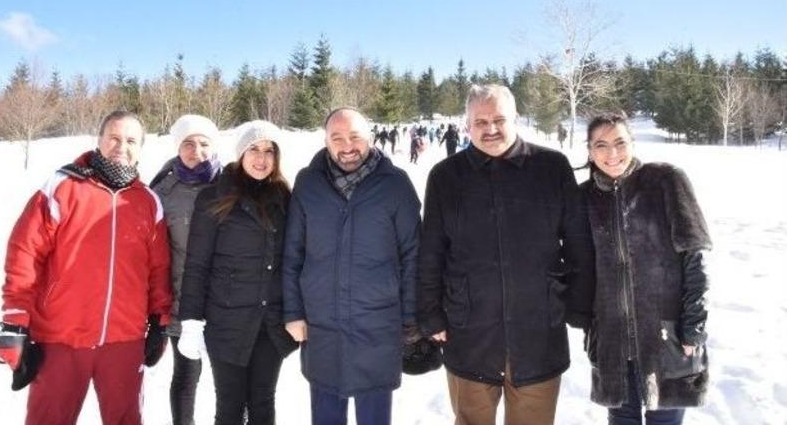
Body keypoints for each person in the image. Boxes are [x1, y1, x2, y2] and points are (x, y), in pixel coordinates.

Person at [417, 84, 595, 425]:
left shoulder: (551, 167)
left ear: (516, 119)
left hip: (538, 331)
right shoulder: (445, 176)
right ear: (467, 125)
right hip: (469, 329)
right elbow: (431, 252)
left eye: (499, 119)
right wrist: (431, 315)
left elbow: (578, 245)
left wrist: (575, 306)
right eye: (480, 121)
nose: (491, 129)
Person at [0, 110, 172, 425]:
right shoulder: (63, 186)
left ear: (141, 147)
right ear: (99, 140)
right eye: (114, 138)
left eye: (131, 140)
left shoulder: (147, 202)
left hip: (124, 339)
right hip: (61, 338)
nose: (121, 146)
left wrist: (159, 321)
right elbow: (25, 253)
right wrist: (15, 322)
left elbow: (158, 269)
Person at [282, 108, 421, 425]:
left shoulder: (396, 184)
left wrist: (411, 318)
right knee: (326, 414)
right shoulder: (308, 183)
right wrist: (293, 312)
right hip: (322, 323)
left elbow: (413, 253)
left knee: (374, 414)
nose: (347, 146)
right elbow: (292, 253)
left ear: (370, 137)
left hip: (378, 322)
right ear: (326, 141)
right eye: (338, 138)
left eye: (355, 137)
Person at [580, 113, 710, 425]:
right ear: (589, 150)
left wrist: (693, 326)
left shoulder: (666, 181)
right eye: (601, 145)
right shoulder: (583, 198)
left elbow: (694, 258)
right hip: (612, 344)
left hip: (666, 340)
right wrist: (590, 330)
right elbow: (579, 270)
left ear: (633, 143)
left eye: (620, 143)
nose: (612, 153)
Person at [178, 120, 298, 425]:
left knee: (262, 401)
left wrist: (297, 312)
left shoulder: (285, 198)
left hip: (270, 324)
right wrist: (191, 320)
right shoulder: (214, 197)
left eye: (269, 151)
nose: (261, 158)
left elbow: (292, 262)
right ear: (240, 153)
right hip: (226, 322)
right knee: (229, 405)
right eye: (254, 149)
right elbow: (197, 264)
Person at [150, 114, 222, 425]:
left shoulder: (232, 183)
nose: (197, 151)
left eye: (204, 143)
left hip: (225, 301)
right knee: (185, 376)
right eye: (188, 144)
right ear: (177, 147)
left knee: (230, 381)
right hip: (183, 303)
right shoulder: (162, 191)